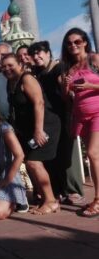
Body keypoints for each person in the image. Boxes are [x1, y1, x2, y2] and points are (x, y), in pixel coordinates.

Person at [3, 53, 60, 215]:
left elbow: (39, 102)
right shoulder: (11, 82)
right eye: (3, 66)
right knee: (30, 163)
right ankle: (44, 198)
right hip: (28, 129)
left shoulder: (26, 78)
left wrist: (38, 130)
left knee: (34, 163)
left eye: (10, 65)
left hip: (45, 125)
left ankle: (51, 200)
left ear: (20, 63)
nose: (7, 69)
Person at [29, 41, 85, 205]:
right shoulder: (38, 72)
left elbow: (67, 94)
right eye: (34, 54)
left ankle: (73, 190)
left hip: (63, 117)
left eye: (40, 53)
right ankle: (58, 191)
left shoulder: (59, 68)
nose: (36, 56)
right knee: (53, 157)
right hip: (49, 120)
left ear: (48, 52)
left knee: (67, 155)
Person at [60, 28, 99, 217]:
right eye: (69, 43)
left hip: (98, 111)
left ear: (84, 41)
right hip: (80, 116)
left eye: (77, 41)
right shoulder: (70, 67)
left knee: (92, 154)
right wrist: (66, 87)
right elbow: (67, 98)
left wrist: (90, 85)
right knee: (95, 157)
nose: (73, 45)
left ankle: (98, 201)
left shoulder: (94, 59)